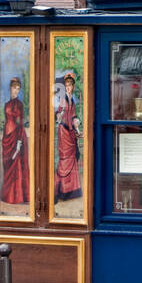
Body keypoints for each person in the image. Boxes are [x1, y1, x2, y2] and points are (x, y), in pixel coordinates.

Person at [1, 77, 30, 206]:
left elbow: (20, 123)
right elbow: (7, 122)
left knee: (17, 164)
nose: (16, 91)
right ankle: (8, 195)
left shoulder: (19, 105)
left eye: (18, 89)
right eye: (14, 88)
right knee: (7, 164)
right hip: (7, 137)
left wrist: (19, 142)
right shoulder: (6, 104)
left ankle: (17, 197)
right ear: (10, 88)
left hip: (17, 136)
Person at [54, 73, 82, 201]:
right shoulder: (63, 99)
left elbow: (74, 116)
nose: (68, 88)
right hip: (64, 131)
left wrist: (77, 128)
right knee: (65, 158)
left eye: (70, 85)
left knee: (72, 157)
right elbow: (59, 114)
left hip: (70, 131)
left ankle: (72, 189)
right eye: (66, 85)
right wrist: (60, 114)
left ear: (73, 87)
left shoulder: (72, 100)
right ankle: (61, 190)